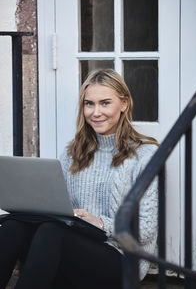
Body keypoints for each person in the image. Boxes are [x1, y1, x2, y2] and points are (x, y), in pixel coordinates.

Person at [0, 69, 158, 289]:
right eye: (89, 104)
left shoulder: (145, 155)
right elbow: (57, 208)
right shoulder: (72, 153)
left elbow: (147, 228)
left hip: (120, 259)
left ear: (124, 104)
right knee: (13, 225)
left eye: (105, 103)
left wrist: (100, 222)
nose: (96, 112)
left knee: (52, 231)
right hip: (68, 248)